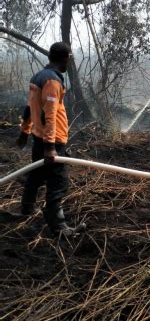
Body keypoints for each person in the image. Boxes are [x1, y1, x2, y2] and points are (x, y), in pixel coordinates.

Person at [16, 42, 84, 237]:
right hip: (52, 141)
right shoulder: (52, 81)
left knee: (36, 175)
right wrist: (50, 147)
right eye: (70, 57)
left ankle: (27, 208)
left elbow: (29, 108)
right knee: (59, 182)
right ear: (66, 58)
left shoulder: (38, 77)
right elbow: (50, 115)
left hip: (39, 137)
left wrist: (24, 132)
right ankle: (60, 227)